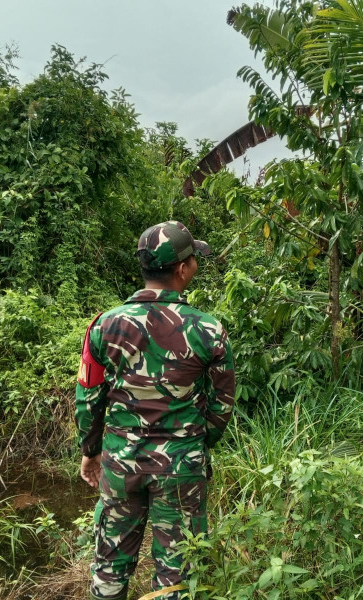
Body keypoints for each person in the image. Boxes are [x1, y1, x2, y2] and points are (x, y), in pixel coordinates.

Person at [74, 221, 235, 600]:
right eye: (193, 257)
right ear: (182, 269)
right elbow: (222, 403)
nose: (195, 263)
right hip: (182, 466)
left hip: (120, 463)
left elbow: (88, 398)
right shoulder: (209, 330)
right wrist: (194, 442)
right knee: (176, 574)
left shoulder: (104, 326)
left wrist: (90, 450)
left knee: (110, 564)